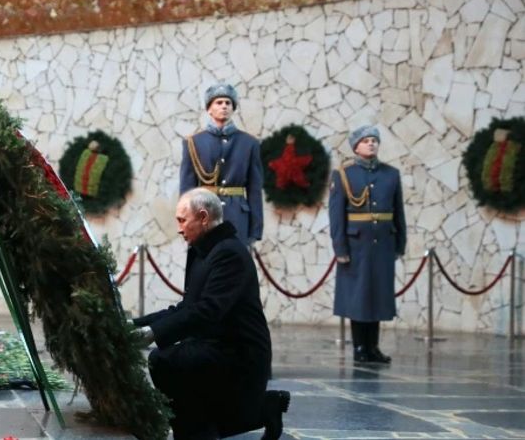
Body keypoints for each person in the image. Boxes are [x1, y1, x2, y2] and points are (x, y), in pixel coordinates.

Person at [132, 188, 290, 439]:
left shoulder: (229, 253)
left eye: (182, 220)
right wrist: (135, 324)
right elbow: (187, 306)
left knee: (164, 360)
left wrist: (153, 333)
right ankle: (244, 414)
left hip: (240, 353)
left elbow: (208, 310)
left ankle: (197, 429)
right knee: (177, 365)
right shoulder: (203, 250)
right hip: (215, 346)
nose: (179, 229)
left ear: (203, 217)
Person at [328, 125, 407, 364]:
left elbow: (398, 212)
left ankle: (373, 347)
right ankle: (360, 347)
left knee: (378, 296)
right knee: (358, 297)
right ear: (356, 146)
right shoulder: (343, 174)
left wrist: (400, 242)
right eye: (366, 140)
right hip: (356, 245)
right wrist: (340, 248)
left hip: (383, 243)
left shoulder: (391, 174)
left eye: (374, 140)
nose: (371, 144)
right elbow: (336, 215)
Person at [180, 82, 263, 246]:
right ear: (209, 109)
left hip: (238, 217)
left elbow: (254, 189)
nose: (224, 106)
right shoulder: (194, 143)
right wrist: (186, 224)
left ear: (233, 108)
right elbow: (187, 190)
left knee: (235, 268)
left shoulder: (249, 143)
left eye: (228, 103)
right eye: (218, 102)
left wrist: (255, 228)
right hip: (204, 216)